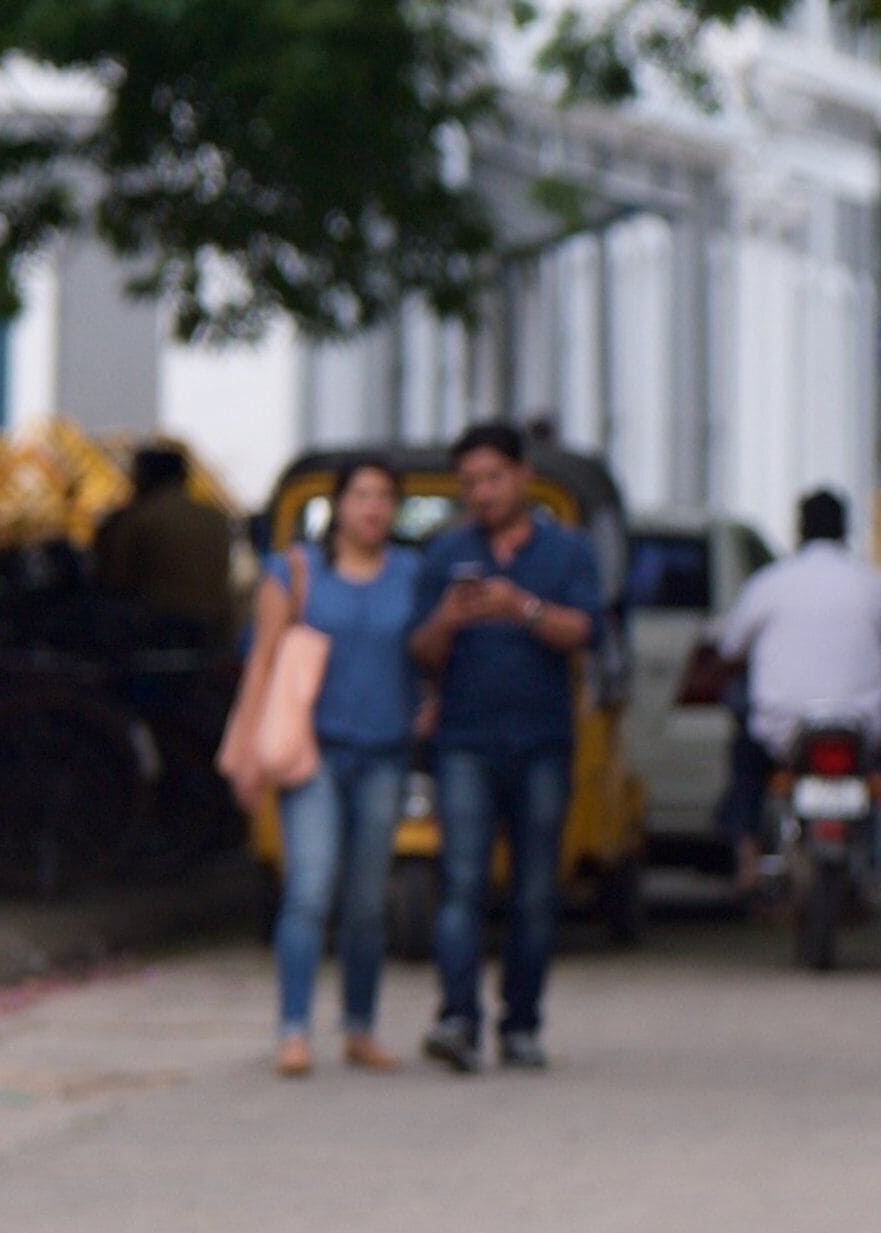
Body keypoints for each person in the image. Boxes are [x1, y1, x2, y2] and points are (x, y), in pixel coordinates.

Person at [406, 421, 599, 1073]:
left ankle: (521, 1024)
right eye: (470, 484)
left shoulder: (567, 551)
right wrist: (447, 619)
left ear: (522, 476)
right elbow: (419, 652)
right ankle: (458, 1018)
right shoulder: (445, 554)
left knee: (536, 890)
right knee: (461, 882)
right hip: (465, 740)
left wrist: (523, 608)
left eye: (492, 479)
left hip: (542, 741)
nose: (482, 494)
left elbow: (584, 631)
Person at [237, 456, 418, 1075]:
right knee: (309, 890)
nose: (373, 508)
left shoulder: (412, 574)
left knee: (367, 901)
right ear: (338, 505)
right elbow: (261, 662)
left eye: (385, 496)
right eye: (361, 495)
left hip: (386, 751)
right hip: (311, 754)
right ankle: (293, 1030)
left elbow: (430, 653)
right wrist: (246, 752)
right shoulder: (293, 571)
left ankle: (359, 1027)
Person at [715, 488, 881, 894]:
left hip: (783, 730)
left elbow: (730, 649)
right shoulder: (873, 584)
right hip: (863, 729)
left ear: (799, 530)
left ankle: (749, 857)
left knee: (745, 762)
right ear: (845, 531)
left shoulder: (769, 583)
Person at [92, 443, 239, 644]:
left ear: (143, 477)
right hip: (214, 627)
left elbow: (114, 578)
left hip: (155, 627)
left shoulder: (136, 518)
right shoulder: (215, 518)